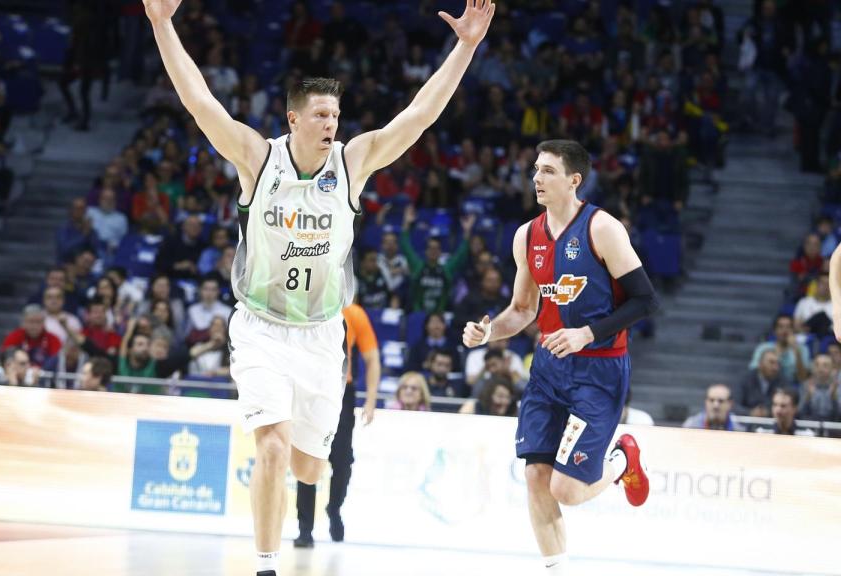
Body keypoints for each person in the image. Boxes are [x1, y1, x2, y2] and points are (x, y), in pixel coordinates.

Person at [144, 1, 494, 574]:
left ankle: (291, 492)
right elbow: (198, 100)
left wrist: (466, 47)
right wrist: (163, 24)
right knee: (273, 448)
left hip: (321, 336)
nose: (333, 125)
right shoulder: (258, 159)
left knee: (308, 468)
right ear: (294, 120)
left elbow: (418, 117)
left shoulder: (353, 164)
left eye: (337, 115)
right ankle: (265, 565)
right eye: (323, 116)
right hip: (259, 327)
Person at [462, 139, 658, 573]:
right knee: (535, 477)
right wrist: (488, 332)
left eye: (548, 170)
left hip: (599, 369)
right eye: (535, 169)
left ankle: (624, 457)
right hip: (549, 369)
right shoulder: (526, 236)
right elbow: (522, 311)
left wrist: (587, 333)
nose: (536, 177)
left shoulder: (602, 229)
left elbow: (645, 301)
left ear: (574, 180)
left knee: (567, 489)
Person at [294, 299, 380, 548]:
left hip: (342, 391)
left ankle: (334, 508)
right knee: (307, 455)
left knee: (342, 461)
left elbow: (372, 358)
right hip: (310, 389)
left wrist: (371, 400)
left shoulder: (353, 313)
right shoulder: (306, 307)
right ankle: (305, 529)